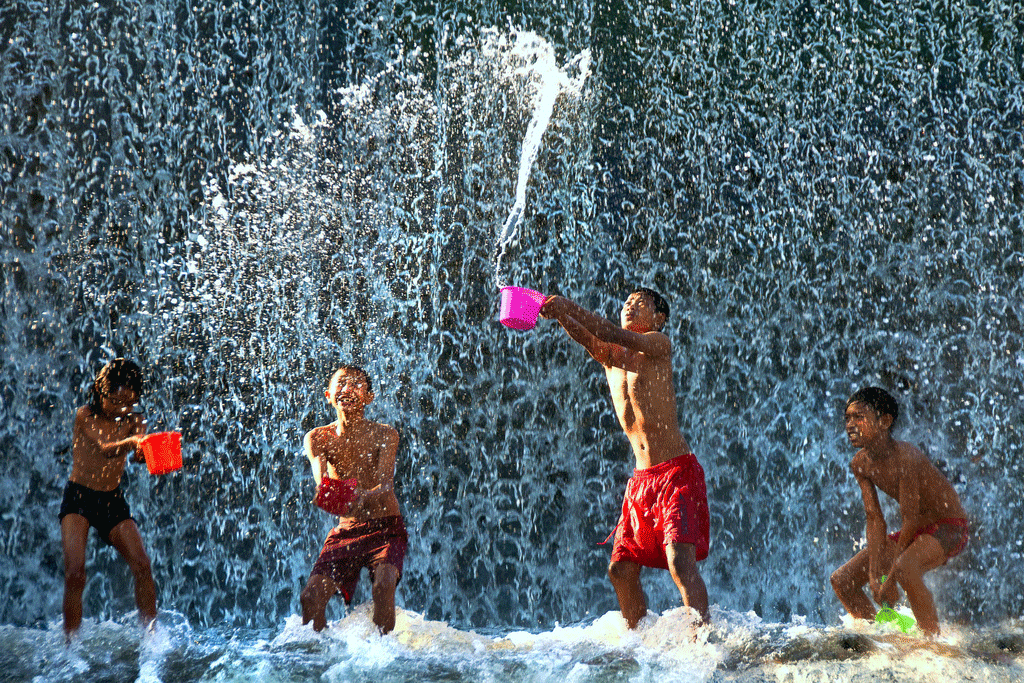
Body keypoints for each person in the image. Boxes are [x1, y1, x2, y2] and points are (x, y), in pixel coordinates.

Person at [540, 288, 711, 627]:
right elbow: (593, 341)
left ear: (658, 319)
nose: (630, 306)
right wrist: (561, 317)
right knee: (620, 569)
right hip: (642, 480)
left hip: (676, 472)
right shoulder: (614, 358)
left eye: (641, 303)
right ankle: (638, 640)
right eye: (627, 302)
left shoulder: (658, 345)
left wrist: (568, 306)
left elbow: (607, 332)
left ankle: (703, 639)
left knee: (680, 563)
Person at [831, 387, 969, 637]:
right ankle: (884, 640)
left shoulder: (906, 457)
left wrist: (891, 577)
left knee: (905, 569)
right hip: (916, 530)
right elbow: (874, 519)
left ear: (884, 421)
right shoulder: (860, 464)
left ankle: (932, 644)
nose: (850, 424)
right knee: (842, 580)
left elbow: (911, 518)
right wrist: (875, 576)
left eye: (859, 417)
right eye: (847, 418)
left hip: (950, 526)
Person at [300, 365, 406, 634]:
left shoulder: (385, 434)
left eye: (356, 384)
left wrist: (360, 496)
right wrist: (325, 493)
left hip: (386, 528)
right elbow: (322, 483)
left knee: (383, 587)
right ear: (328, 395)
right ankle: (321, 655)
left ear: (369, 397)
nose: (347, 389)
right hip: (347, 530)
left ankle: (385, 657)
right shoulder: (318, 438)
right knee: (310, 598)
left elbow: (385, 486)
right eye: (341, 383)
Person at [59, 357, 157, 638]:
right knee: (75, 573)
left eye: (128, 403)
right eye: (114, 402)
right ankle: (70, 646)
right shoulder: (84, 415)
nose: (120, 409)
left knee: (142, 565)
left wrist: (145, 453)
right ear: (100, 391)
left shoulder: (136, 420)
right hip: (79, 498)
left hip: (111, 499)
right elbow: (105, 448)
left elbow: (137, 455)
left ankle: (151, 640)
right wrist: (131, 443)